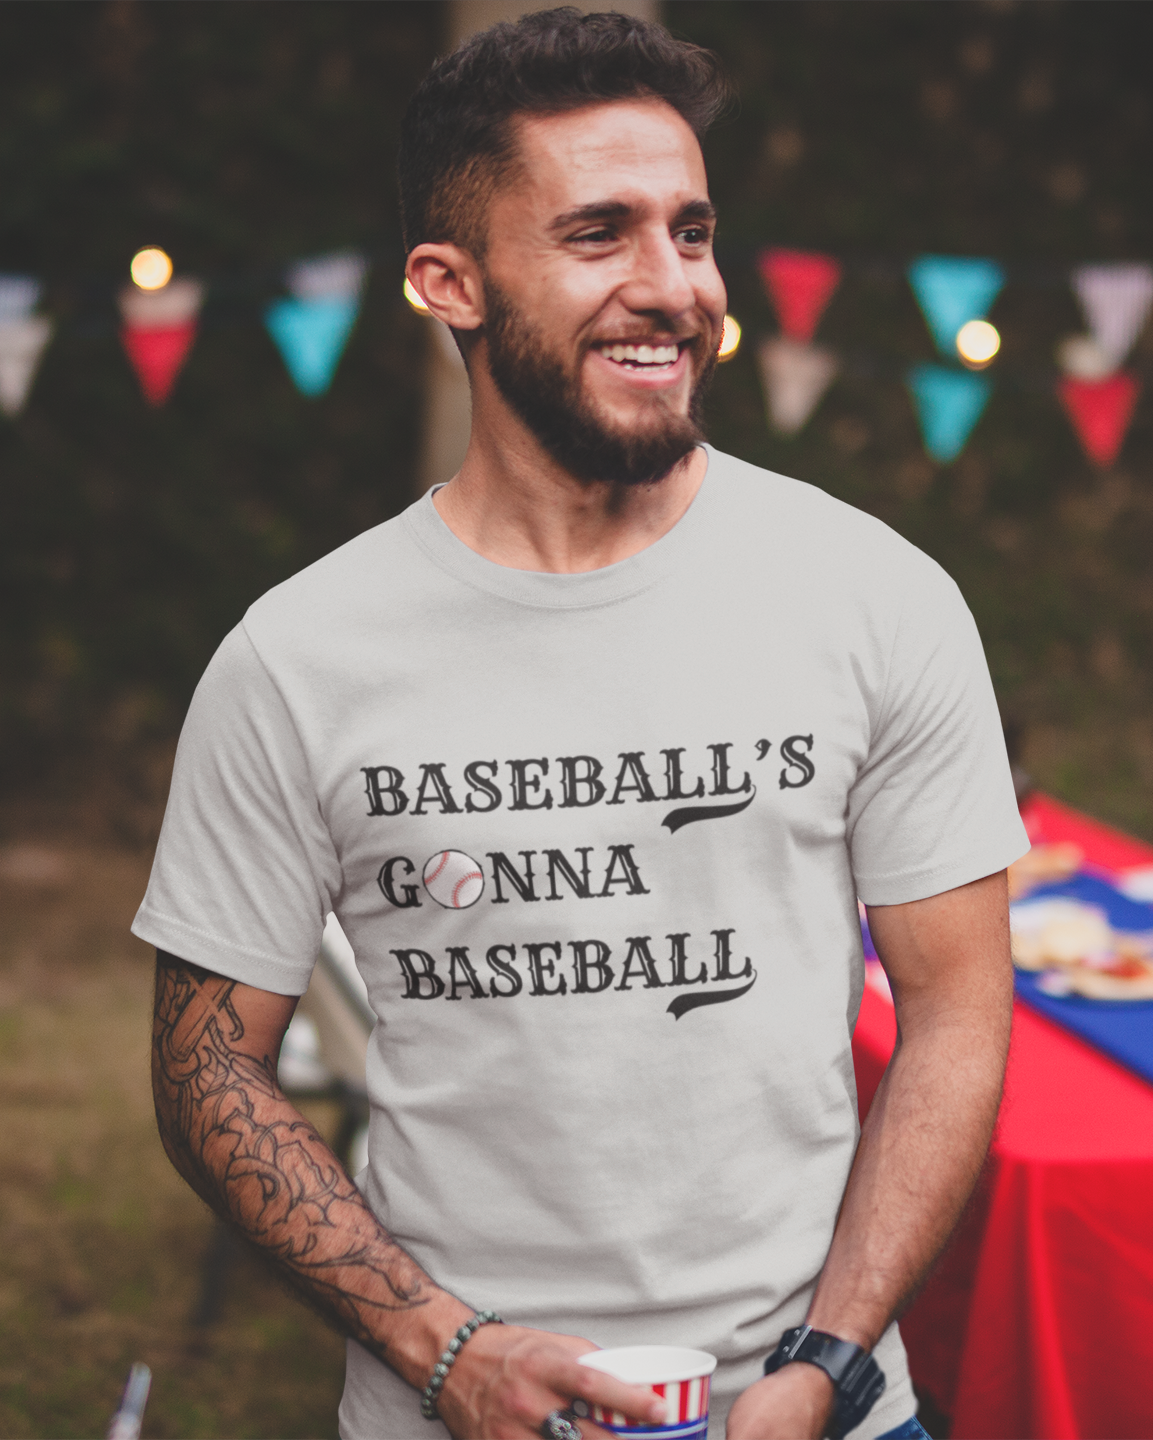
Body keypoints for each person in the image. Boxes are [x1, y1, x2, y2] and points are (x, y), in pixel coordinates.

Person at [135, 10, 1028, 1439]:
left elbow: (955, 1008)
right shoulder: (297, 660)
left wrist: (830, 1364)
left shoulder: (876, 598)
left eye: (692, 230)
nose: (672, 287)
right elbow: (204, 1063)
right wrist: (444, 1350)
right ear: (452, 283)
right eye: (600, 234)